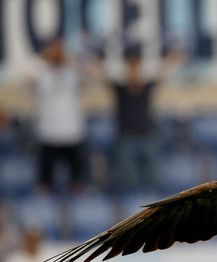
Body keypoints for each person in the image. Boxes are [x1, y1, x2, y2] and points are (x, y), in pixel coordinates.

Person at [97, 45, 183, 192]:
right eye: (131, 66)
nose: (134, 71)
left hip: (148, 137)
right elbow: (99, 73)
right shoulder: (120, 89)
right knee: (128, 181)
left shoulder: (147, 87)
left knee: (152, 180)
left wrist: (174, 57)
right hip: (126, 139)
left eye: (136, 66)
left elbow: (164, 71)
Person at [32, 38, 86, 193]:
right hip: (48, 133)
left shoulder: (73, 72)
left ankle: (79, 210)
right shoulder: (42, 73)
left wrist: (66, 58)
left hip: (72, 132)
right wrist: (48, 58)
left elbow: (88, 72)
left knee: (77, 181)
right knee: (44, 182)